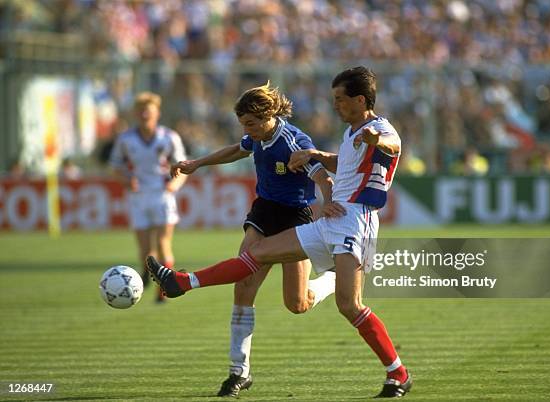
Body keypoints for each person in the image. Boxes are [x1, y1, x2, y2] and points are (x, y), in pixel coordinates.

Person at [147, 66, 412, 398]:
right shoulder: (351, 131)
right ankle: (182, 282)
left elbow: (391, 145)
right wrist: (318, 156)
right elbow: (344, 163)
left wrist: (375, 141)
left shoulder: (379, 129)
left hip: (355, 220)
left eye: (340, 99)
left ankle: (398, 373)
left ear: (360, 100)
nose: (335, 105)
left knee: (348, 305)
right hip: (326, 219)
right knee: (254, 257)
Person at [170, 82, 337, 397]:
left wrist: (327, 202)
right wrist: (197, 163)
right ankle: (238, 372)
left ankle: (329, 278)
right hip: (264, 213)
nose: (247, 130)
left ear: (269, 116)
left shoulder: (294, 141)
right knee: (243, 283)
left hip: (295, 218)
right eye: (243, 124)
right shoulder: (258, 136)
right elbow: (238, 149)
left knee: (297, 304)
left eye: (250, 123)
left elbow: (321, 176)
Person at [109, 92, 187, 303]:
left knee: (163, 243)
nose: (145, 115)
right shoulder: (126, 139)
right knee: (145, 250)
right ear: (136, 113)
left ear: (157, 113)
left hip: (162, 195)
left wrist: (174, 184)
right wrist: (126, 181)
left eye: (149, 111)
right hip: (138, 197)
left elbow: (182, 167)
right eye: (141, 111)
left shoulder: (169, 137)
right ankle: (144, 273)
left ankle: (164, 289)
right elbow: (115, 167)